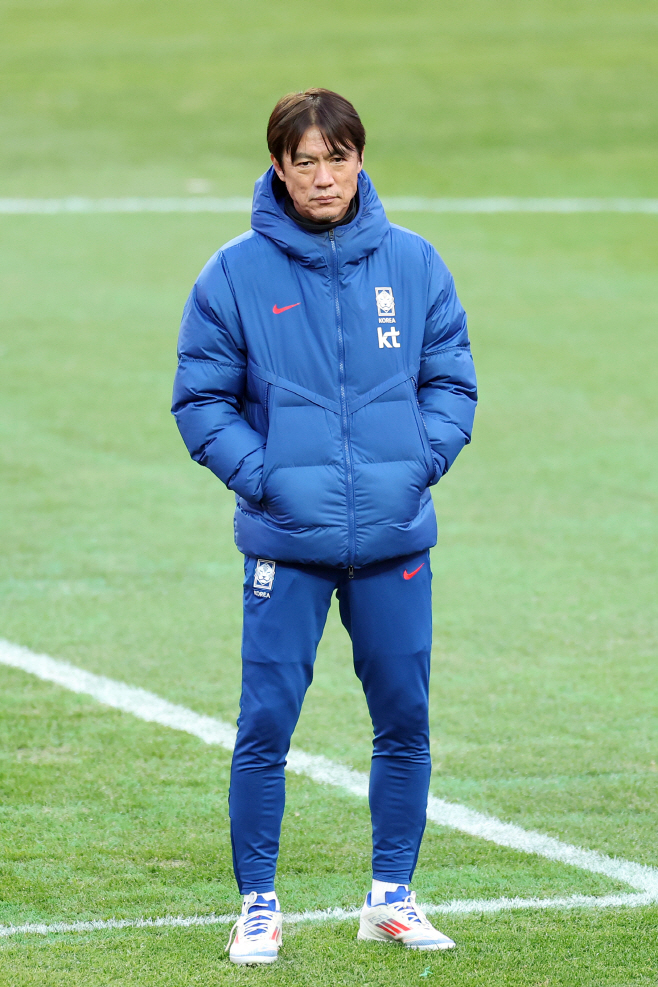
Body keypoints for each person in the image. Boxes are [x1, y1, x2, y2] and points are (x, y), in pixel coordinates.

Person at [172, 88, 477, 966]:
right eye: (303, 161)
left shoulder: (414, 263)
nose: (322, 177)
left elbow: (451, 380)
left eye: (336, 158)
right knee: (265, 726)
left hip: (394, 539)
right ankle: (258, 905)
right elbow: (201, 401)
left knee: (405, 720)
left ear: (359, 158)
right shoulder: (233, 273)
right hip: (287, 544)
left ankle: (392, 897)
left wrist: (417, 462)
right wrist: (268, 481)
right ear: (278, 167)